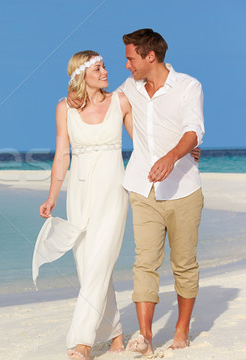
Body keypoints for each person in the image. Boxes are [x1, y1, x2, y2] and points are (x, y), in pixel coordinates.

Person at [34, 50, 133, 360]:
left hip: (113, 191)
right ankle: (116, 333)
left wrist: (182, 152)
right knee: (90, 266)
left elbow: (144, 144)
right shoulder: (64, 108)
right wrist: (52, 196)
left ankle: (83, 342)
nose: (105, 71)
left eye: (104, 66)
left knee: (101, 260)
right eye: (98, 68)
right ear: (82, 75)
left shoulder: (121, 102)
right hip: (79, 193)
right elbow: (62, 154)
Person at [118, 28, 205, 356]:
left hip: (183, 189)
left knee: (183, 263)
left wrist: (172, 156)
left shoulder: (187, 86)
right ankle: (145, 335)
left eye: (130, 58)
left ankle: (182, 328)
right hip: (142, 188)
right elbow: (112, 107)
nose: (127, 65)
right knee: (145, 262)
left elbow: (193, 130)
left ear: (149, 56)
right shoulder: (131, 87)